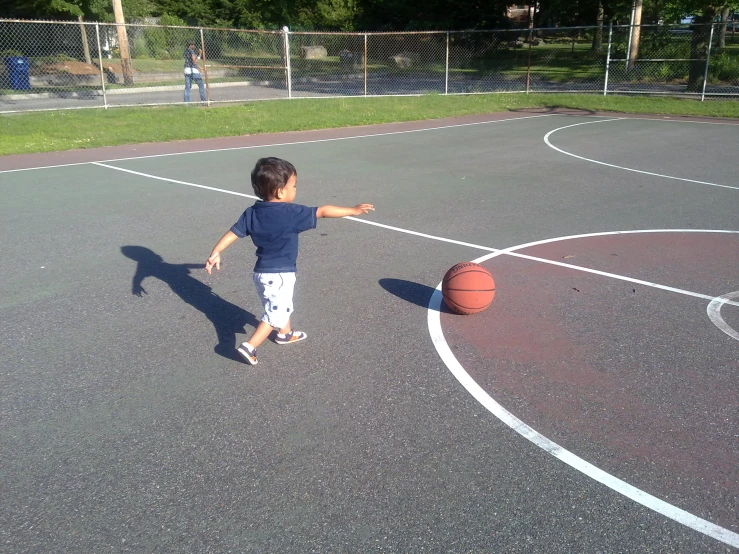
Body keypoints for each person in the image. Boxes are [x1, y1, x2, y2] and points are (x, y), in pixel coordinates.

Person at [205, 157, 374, 366]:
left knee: (279, 304)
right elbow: (322, 211)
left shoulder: (252, 212)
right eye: (293, 186)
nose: (295, 190)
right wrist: (352, 210)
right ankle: (250, 346)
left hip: (260, 274)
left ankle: (285, 334)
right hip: (281, 274)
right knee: (275, 311)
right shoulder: (291, 213)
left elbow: (234, 233)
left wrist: (216, 251)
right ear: (280, 191)